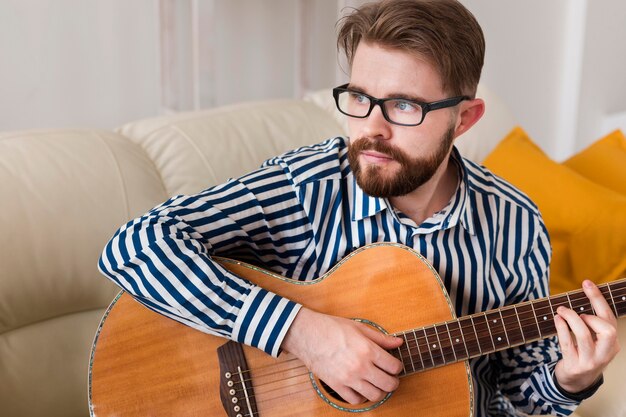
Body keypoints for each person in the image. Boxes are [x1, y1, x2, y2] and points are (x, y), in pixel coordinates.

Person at [98, 0, 620, 415]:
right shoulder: (308, 185)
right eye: (359, 97)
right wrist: (300, 332)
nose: (371, 127)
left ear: (464, 119)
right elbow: (134, 246)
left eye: (403, 106)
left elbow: (514, 390)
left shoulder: (516, 224)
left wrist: (569, 380)